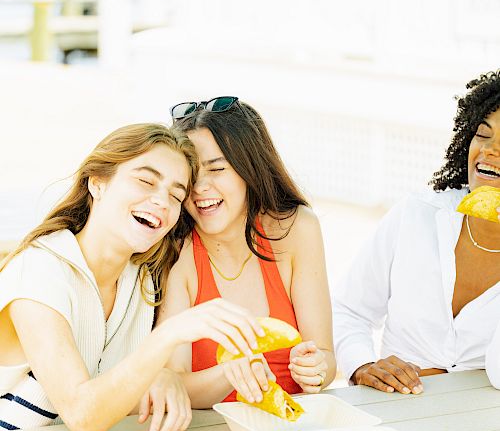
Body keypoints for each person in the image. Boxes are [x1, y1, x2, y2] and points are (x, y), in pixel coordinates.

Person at [0, 123, 265, 431]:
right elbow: (83, 417)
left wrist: (192, 375)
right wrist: (165, 338)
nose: (161, 201)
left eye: (176, 195)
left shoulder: (142, 280)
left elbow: (117, 392)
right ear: (98, 183)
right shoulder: (40, 270)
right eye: (145, 181)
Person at [153, 96, 336, 408]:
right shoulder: (177, 251)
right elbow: (174, 383)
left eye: (217, 169)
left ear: (249, 168)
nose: (200, 187)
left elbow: (326, 358)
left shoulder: (296, 229)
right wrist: (230, 373)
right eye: (191, 174)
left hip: (291, 430)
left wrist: (316, 370)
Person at [333, 71, 500, 394]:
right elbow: (348, 310)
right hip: (394, 414)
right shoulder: (416, 215)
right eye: (483, 134)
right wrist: (362, 365)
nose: (490, 152)